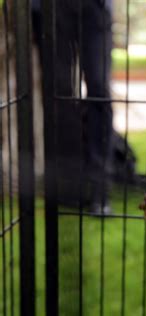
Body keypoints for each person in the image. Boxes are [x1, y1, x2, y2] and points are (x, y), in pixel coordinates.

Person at [32, 0, 114, 213]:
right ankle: (68, 187)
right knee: (59, 95)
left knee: (99, 90)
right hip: (49, 8)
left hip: (96, 7)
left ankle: (99, 190)